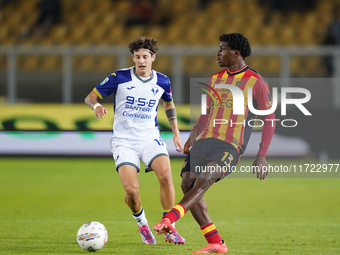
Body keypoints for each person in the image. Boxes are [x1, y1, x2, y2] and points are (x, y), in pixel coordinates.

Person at [153, 33, 276, 253]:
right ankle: (215, 242)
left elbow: (269, 118)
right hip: (206, 140)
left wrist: (262, 154)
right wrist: (193, 136)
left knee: (206, 178)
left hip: (231, 144)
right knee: (187, 184)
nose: (217, 53)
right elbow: (207, 112)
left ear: (235, 53)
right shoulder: (215, 79)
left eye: (222, 49)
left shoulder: (255, 81)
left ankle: (169, 220)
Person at [84, 37, 185, 245]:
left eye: (145, 57)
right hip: (124, 140)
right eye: (137, 57)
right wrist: (96, 107)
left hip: (150, 137)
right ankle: (143, 225)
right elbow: (90, 97)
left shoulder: (163, 81)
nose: (141, 61)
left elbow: (169, 104)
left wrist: (175, 132)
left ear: (152, 58)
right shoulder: (119, 77)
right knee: (131, 191)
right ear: (133, 58)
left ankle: (169, 226)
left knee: (166, 176)